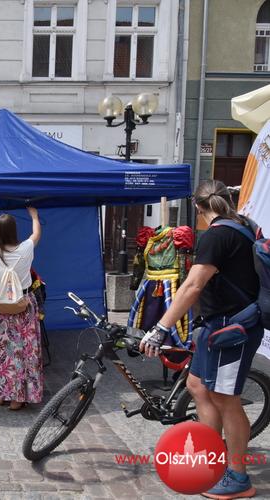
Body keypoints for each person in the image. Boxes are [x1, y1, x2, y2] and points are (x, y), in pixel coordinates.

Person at [140, 180, 263, 499]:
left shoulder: (217, 235)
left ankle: (238, 477)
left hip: (230, 329)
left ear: (198, 207)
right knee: (197, 386)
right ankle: (211, 457)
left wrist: (161, 328)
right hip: (216, 325)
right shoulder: (243, 225)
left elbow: (193, 286)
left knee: (226, 399)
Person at [0, 208, 43, 410]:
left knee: (2, 351)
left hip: (2, 308)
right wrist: (34, 216)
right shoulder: (25, 249)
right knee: (22, 351)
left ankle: (0, 394)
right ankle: (18, 397)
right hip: (23, 305)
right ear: (14, 230)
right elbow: (36, 233)